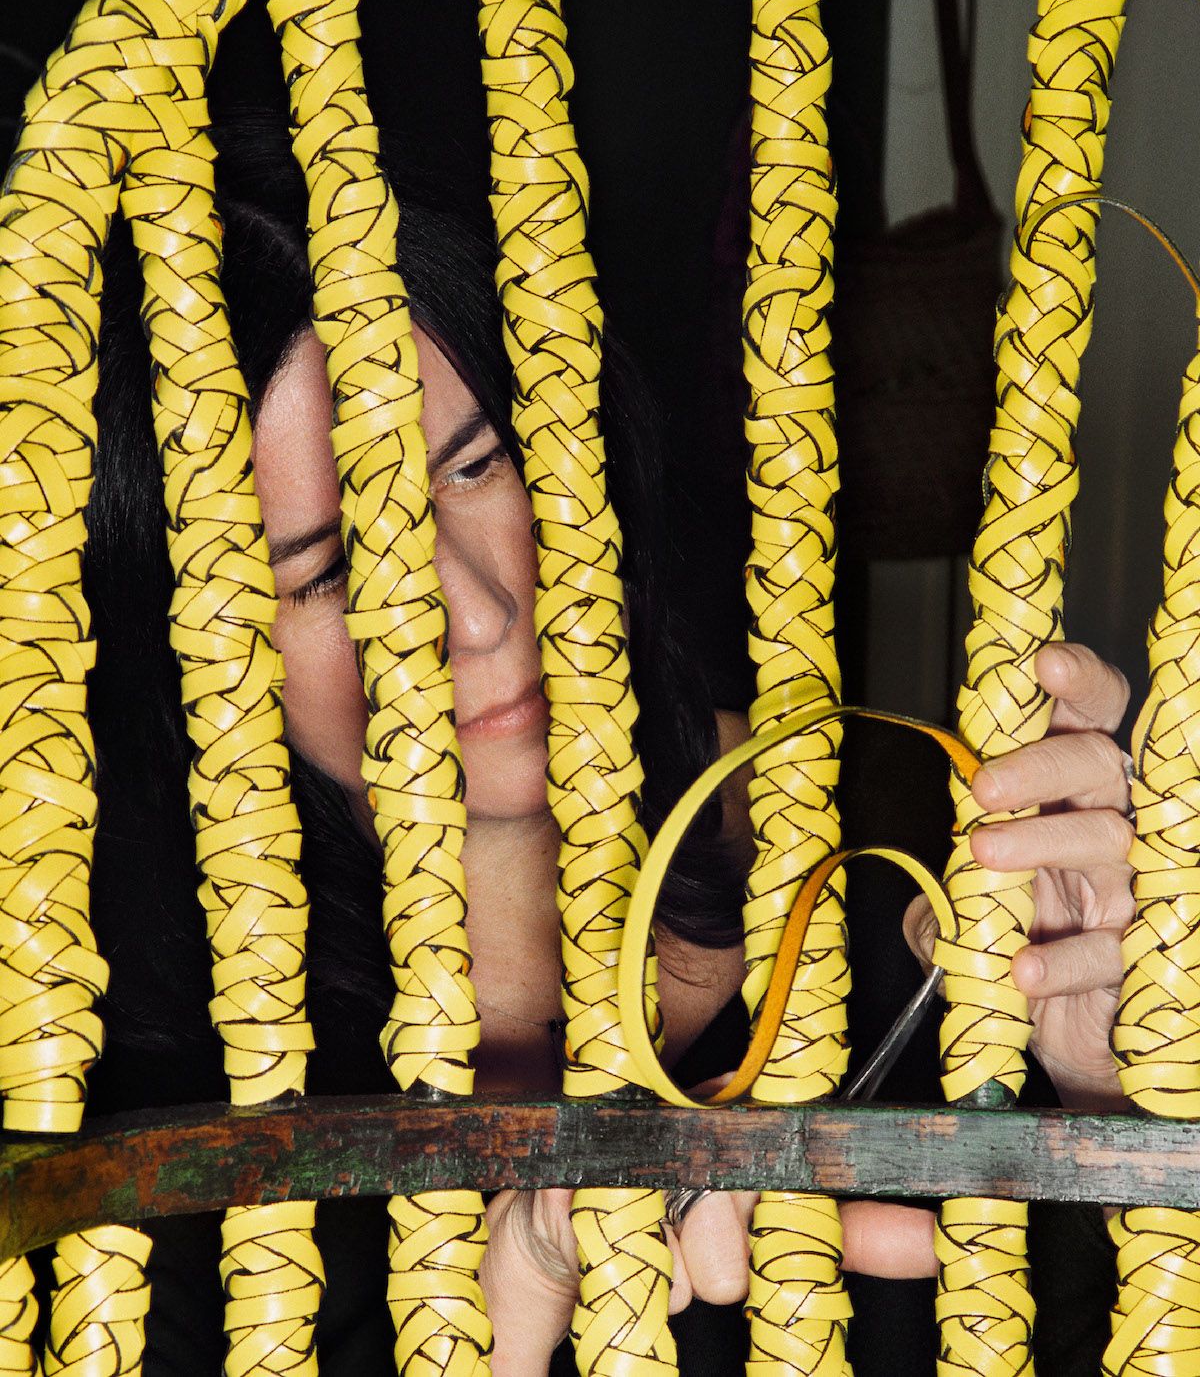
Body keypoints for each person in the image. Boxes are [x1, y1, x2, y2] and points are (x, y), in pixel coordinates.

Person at [78, 116, 1133, 1374]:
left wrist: (1118, 1106)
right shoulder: (152, 1111)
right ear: (173, 643)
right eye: (323, 572)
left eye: (472, 466)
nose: (474, 610)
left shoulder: (886, 857)